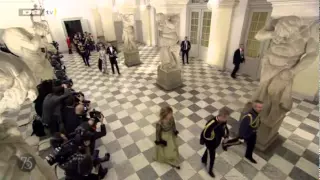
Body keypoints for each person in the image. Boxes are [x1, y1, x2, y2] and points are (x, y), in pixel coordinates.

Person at [200, 107, 230, 178]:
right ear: (221, 116)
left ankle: (203, 159)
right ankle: (210, 170)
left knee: (208, 150)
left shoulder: (223, 121)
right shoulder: (211, 123)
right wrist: (203, 140)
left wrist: (225, 136)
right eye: (226, 118)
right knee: (212, 157)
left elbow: (224, 128)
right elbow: (204, 132)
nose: (227, 120)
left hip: (217, 141)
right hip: (210, 143)